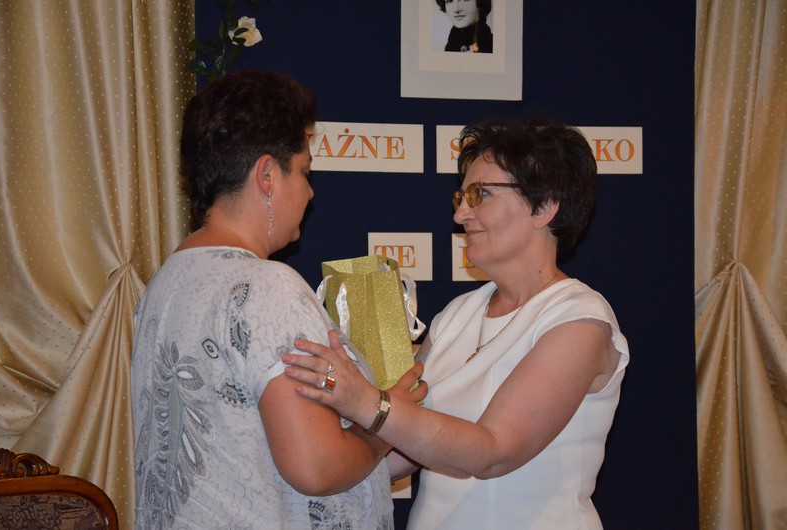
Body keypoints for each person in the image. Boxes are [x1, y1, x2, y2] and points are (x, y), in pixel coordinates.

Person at [283, 114, 630, 529]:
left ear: (544, 207)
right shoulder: (456, 315)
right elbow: (397, 451)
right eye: (461, 197)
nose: (461, 214)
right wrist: (315, 445)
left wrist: (364, 401)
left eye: (481, 194)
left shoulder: (580, 319)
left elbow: (493, 452)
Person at [130, 70, 426, 529]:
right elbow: (316, 466)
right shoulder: (268, 287)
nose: (310, 191)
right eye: (305, 172)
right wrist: (387, 423)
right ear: (267, 174)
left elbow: (247, 456)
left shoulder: (165, 282)